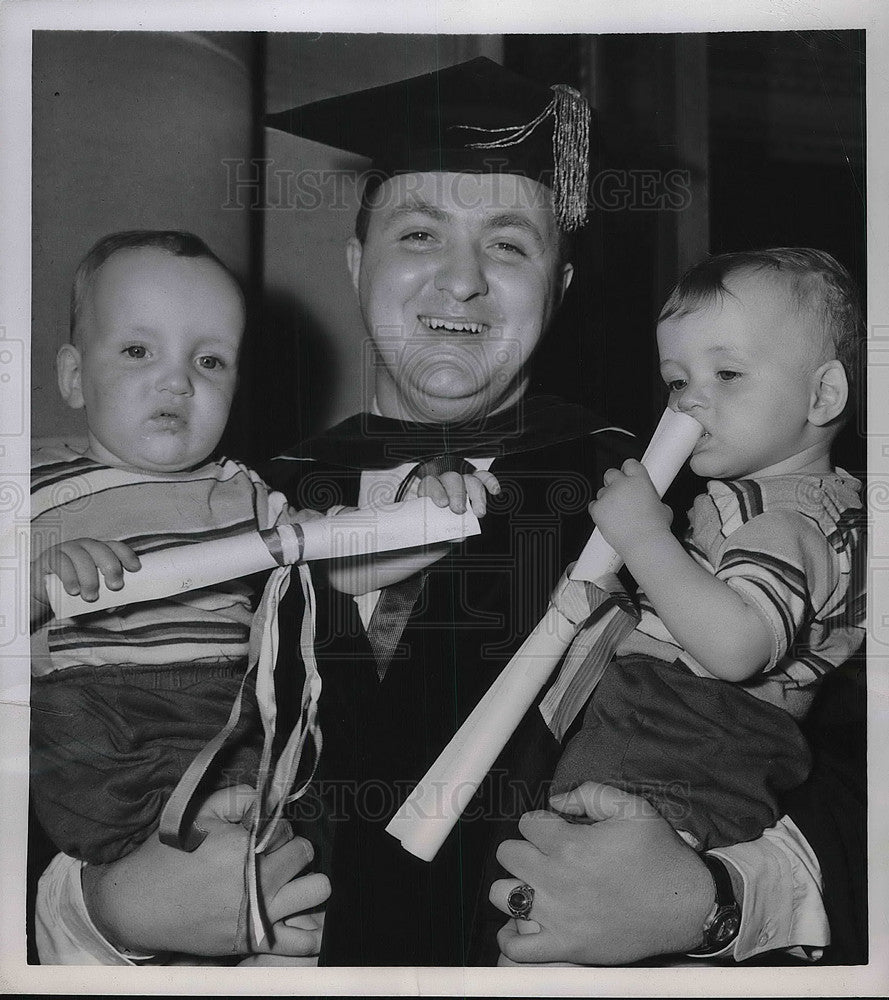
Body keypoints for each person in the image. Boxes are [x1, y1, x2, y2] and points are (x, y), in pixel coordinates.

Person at [57, 59, 866, 968]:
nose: (462, 281)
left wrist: (712, 902)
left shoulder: (675, 506)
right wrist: (101, 908)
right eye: (417, 234)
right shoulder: (223, 507)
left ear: (559, 286)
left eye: (510, 244)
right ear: (358, 263)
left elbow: (844, 789)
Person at [29, 230, 332, 963]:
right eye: (138, 351)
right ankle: (158, 868)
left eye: (209, 360)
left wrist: (425, 512)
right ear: (73, 376)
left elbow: (344, 561)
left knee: (263, 774)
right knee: (78, 757)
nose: (177, 382)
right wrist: (37, 575)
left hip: (214, 702)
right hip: (90, 695)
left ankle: (245, 888)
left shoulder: (242, 491)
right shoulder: (29, 485)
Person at [550, 249, 864, 854]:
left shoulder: (787, 522)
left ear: (823, 396)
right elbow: (687, 615)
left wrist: (644, 539)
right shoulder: (780, 507)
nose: (690, 400)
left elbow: (735, 646)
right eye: (677, 381)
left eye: (727, 375)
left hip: (688, 739)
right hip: (686, 739)